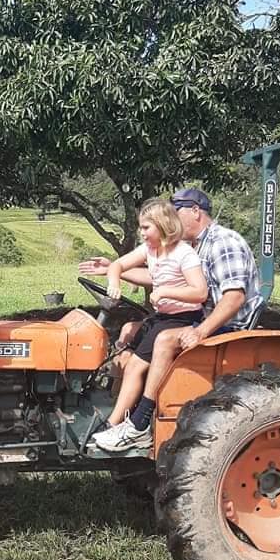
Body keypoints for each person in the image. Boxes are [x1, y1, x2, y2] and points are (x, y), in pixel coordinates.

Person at [81, 187, 263, 453]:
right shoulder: (194, 245)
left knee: (165, 339)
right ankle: (119, 406)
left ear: (195, 212)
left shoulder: (224, 242)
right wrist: (112, 268)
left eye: (175, 214)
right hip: (202, 315)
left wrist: (200, 331)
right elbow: (160, 277)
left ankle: (141, 421)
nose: (173, 222)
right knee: (130, 329)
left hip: (226, 325)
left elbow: (234, 299)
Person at [89, 199, 207, 453]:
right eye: (140, 228)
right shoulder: (150, 250)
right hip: (161, 317)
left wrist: (165, 290)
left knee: (134, 366)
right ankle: (114, 411)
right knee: (126, 348)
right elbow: (118, 265)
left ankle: (129, 424)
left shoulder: (183, 254)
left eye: (146, 228)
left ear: (163, 226)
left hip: (181, 320)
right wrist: (114, 281)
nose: (141, 233)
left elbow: (200, 292)